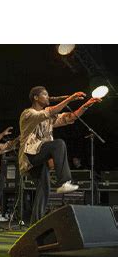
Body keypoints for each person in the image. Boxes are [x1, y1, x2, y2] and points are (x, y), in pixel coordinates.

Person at [19, 86, 101, 224]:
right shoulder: (28, 114)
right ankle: (64, 181)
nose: (47, 97)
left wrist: (86, 105)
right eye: (44, 94)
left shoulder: (49, 117)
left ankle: (35, 223)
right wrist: (71, 98)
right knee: (59, 144)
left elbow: (70, 117)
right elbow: (51, 111)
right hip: (30, 155)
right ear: (36, 97)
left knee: (44, 188)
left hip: (40, 158)